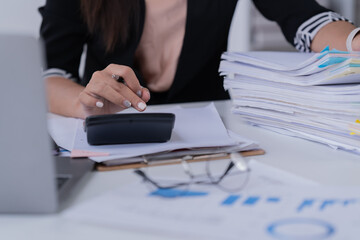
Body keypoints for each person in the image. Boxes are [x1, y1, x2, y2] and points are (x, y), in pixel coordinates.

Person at [39, 0, 360, 119]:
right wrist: (84, 105)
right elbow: (50, 74)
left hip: (211, 140)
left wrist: (353, 42)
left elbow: (305, 19)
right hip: (109, 137)